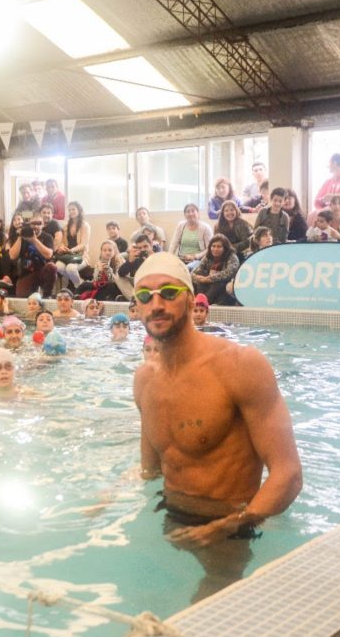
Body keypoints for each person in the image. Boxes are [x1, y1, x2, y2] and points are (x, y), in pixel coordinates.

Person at [132, 252, 303, 601]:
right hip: (170, 516)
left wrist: (234, 524)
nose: (156, 304)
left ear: (191, 299)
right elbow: (149, 470)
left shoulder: (239, 365)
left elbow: (288, 474)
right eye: (145, 297)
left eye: (168, 292)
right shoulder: (144, 380)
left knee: (207, 617)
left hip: (231, 525)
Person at [8, 214, 57, 298]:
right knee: (21, 297)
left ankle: (47, 295)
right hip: (27, 273)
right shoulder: (22, 237)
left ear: (43, 225)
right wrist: (20, 236)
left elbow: (48, 255)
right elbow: (12, 256)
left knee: (52, 267)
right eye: (33, 224)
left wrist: (34, 240)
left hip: (43, 271)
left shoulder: (47, 237)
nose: (36, 226)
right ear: (29, 225)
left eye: (39, 224)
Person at [192, 234, 239, 306]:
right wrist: (198, 277)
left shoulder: (232, 256)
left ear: (225, 248)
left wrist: (210, 278)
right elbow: (195, 271)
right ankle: (201, 300)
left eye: (219, 246)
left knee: (220, 280)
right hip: (208, 284)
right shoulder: (208, 256)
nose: (215, 249)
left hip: (223, 286)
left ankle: (203, 303)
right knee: (200, 273)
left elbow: (229, 273)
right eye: (213, 246)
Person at [54, 202, 90, 290]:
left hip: (81, 256)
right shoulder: (66, 226)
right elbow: (62, 242)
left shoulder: (85, 225)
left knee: (70, 268)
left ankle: (78, 288)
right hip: (67, 256)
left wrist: (71, 250)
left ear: (79, 210)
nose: (71, 211)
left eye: (73, 209)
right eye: (69, 210)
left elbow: (83, 244)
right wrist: (62, 247)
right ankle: (81, 283)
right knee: (58, 266)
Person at [169, 204, 213, 268]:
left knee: (188, 268)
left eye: (193, 211)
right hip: (182, 258)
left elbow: (209, 249)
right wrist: (169, 257)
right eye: (188, 212)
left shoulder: (205, 227)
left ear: (198, 213)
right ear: (185, 215)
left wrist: (195, 256)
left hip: (198, 260)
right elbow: (173, 243)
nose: (190, 213)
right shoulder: (181, 225)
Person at [115, 234, 153, 300]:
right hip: (138, 286)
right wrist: (130, 261)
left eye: (145, 246)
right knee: (118, 277)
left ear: (151, 245)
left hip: (153, 286)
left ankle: (137, 299)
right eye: (140, 248)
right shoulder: (137, 259)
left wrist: (149, 263)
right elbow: (120, 273)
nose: (143, 249)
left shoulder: (158, 257)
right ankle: (134, 299)